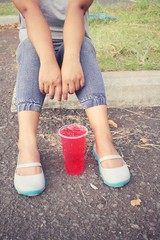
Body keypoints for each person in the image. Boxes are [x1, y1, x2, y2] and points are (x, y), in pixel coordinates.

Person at [13, 0, 130, 196]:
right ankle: (26, 146)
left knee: (82, 48)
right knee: (30, 51)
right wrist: (48, 61)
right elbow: (28, 9)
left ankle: (104, 141)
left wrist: (72, 59)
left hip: (75, 40)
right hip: (35, 40)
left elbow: (78, 7)